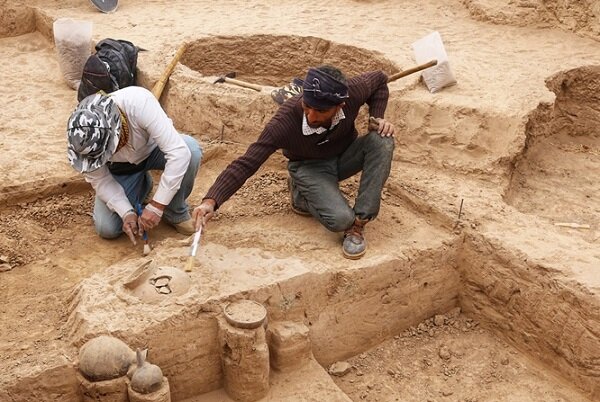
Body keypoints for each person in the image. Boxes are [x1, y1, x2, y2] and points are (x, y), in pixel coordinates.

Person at [193, 65, 394, 259]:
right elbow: (246, 163)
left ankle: (358, 224)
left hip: (345, 155)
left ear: (339, 105)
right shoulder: (284, 123)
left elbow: (379, 80)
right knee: (341, 219)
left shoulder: (351, 93)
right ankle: (302, 195)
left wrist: (377, 117)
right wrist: (211, 201)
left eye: (321, 111)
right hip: (310, 167)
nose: (311, 116)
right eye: (307, 106)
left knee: (382, 140)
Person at [66, 86, 202, 245]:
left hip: (153, 151)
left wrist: (157, 206)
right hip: (120, 170)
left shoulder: (138, 102)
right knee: (107, 228)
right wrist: (126, 213)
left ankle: (175, 211)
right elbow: (101, 180)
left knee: (190, 151)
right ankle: (143, 185)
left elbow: (178, 153)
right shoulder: (80, 140)